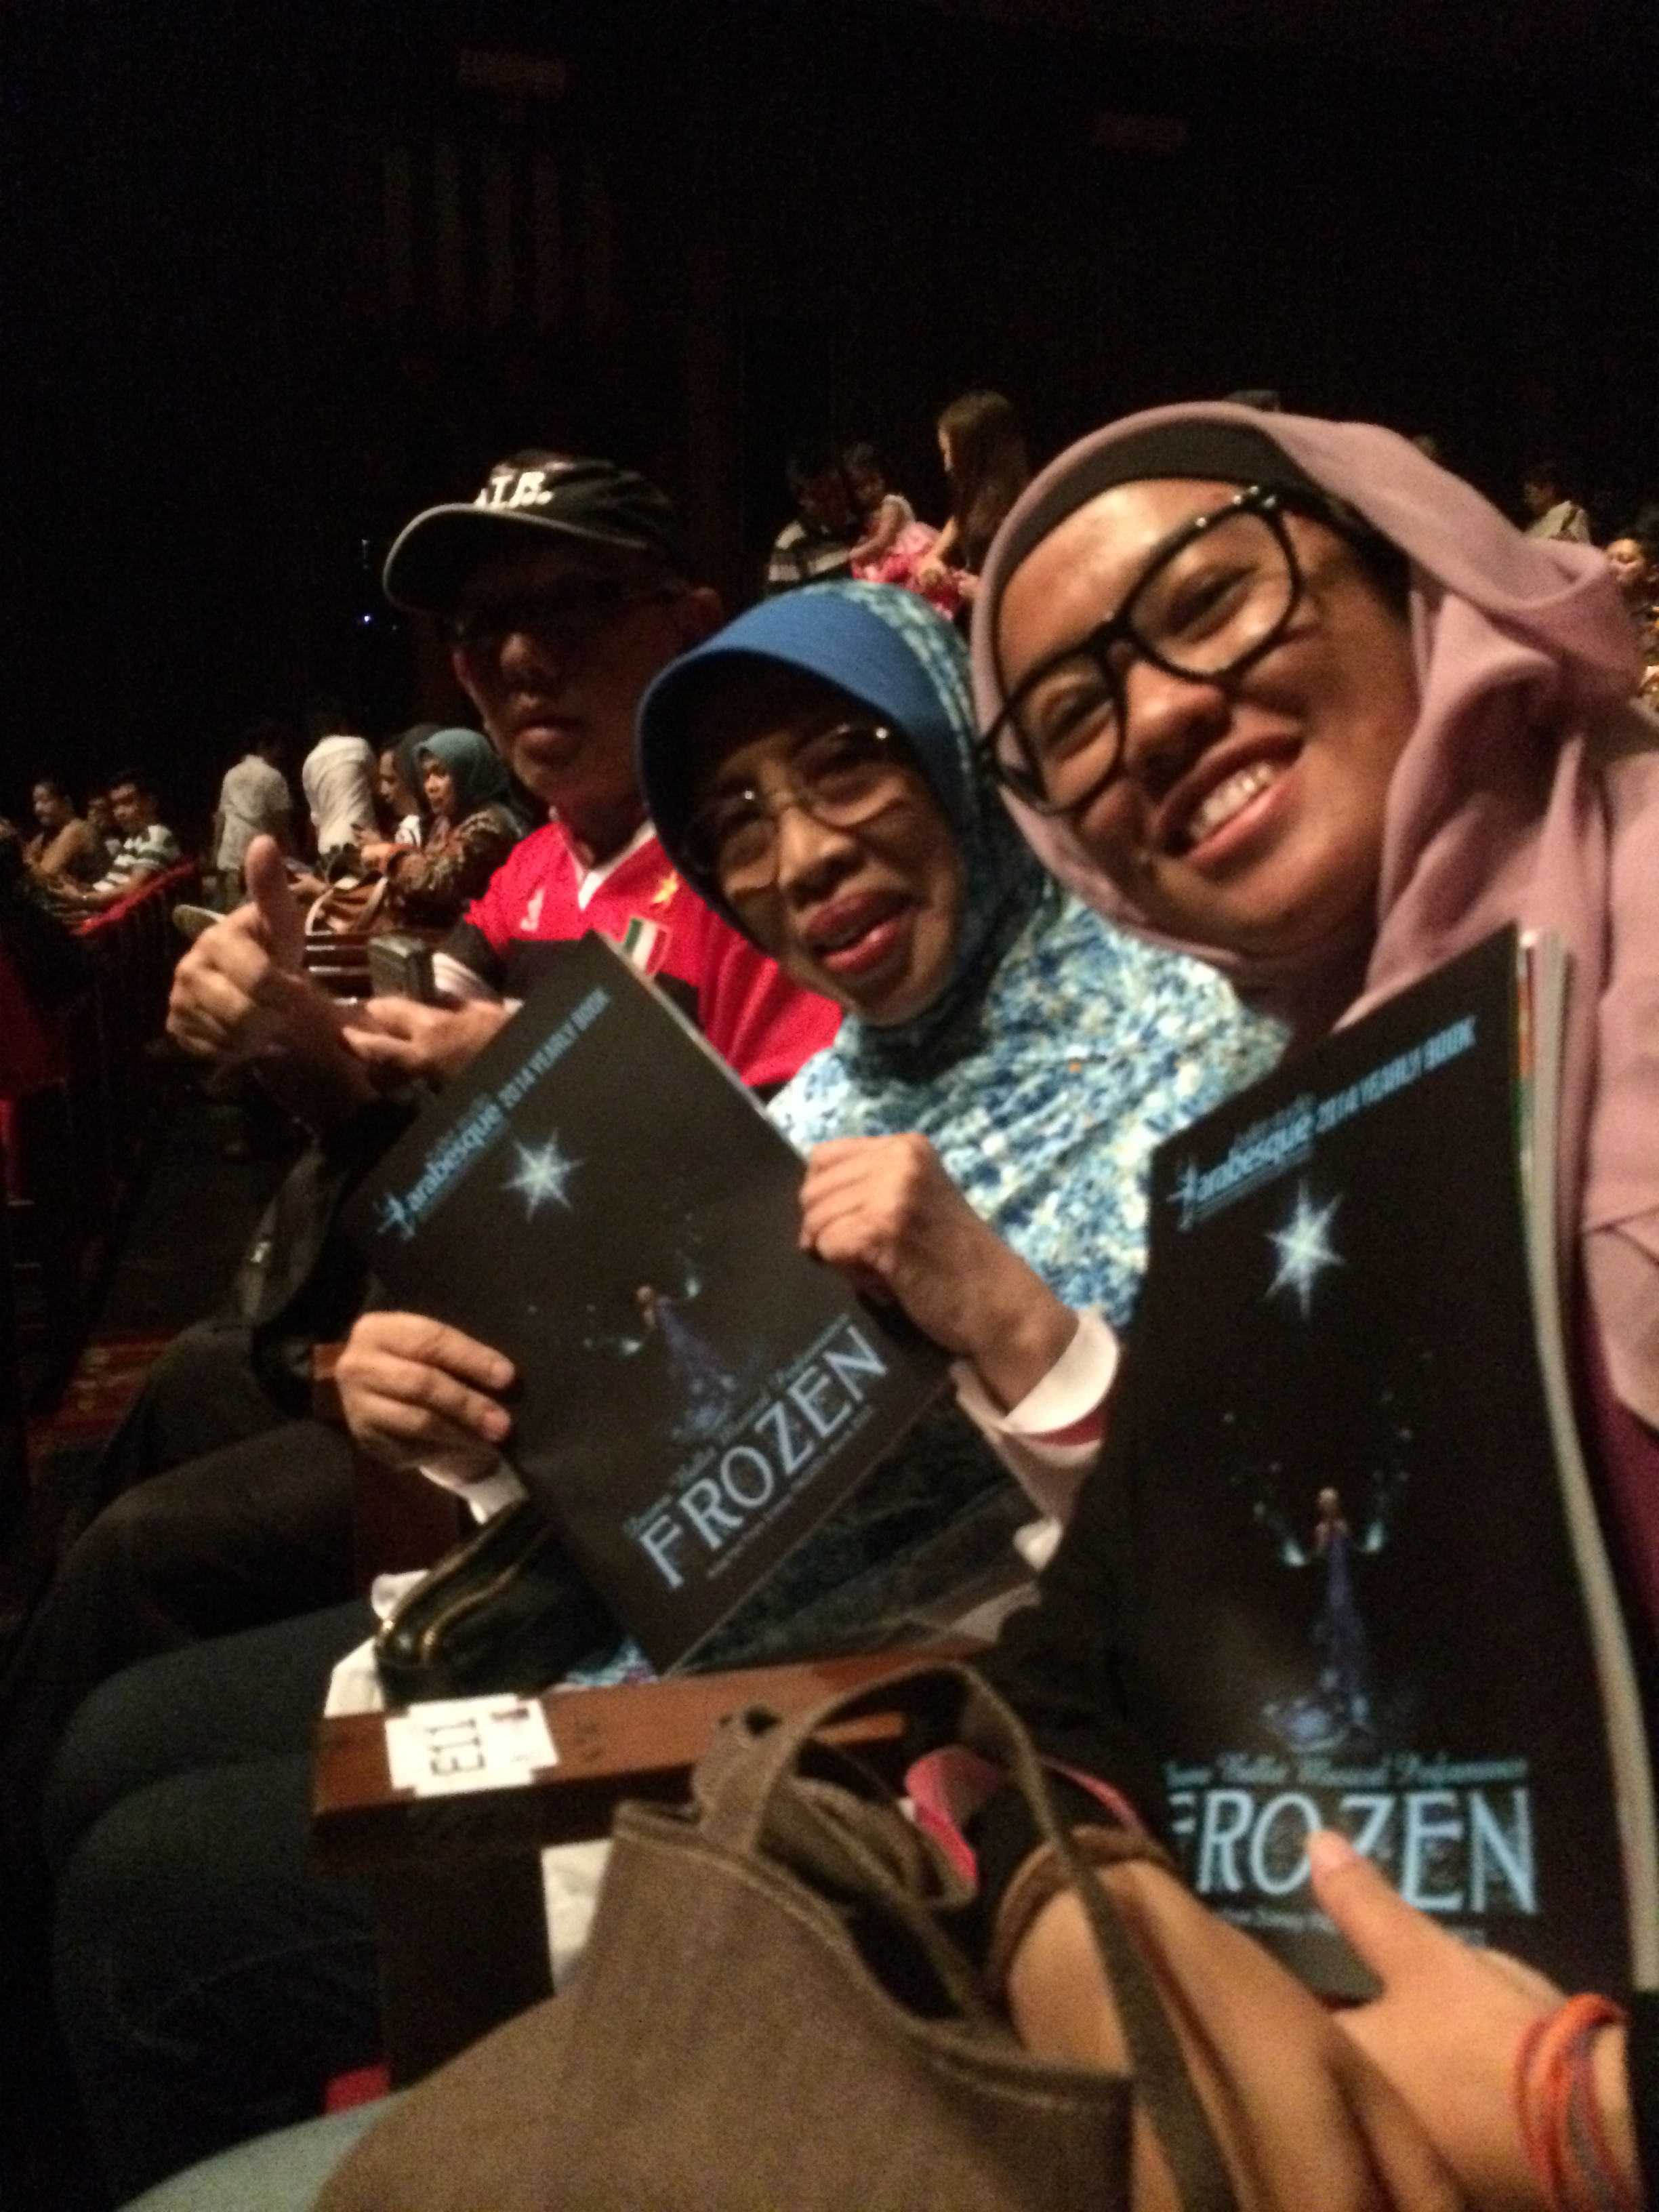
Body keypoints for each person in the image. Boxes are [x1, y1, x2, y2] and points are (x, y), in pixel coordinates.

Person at [47, 583, 1278, 2204]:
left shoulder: (1202, 1065)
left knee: (141, 1901)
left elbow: (1228, 1598)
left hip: (826, 1762)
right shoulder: (835, 1082)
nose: (800, 856)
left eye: (848, 763)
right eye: (737, 820)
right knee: (113, 1743)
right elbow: (681, 1436)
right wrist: (469, 1434)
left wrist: (1007, 1316)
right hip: (643, 1644)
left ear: (960, 759)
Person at [0, 453, 841, 2200]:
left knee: (139, 1638)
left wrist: (524, 1091)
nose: (521, 660)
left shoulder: (766, 871)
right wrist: (295, 1039)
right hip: (475, 1416)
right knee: (163, 1478)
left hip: (601, 1477)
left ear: (696, 626)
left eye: (572, 608)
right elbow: (403, 1152)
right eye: (478, 632)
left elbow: (771, 1290)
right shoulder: (531, 877)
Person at [949, 401, 1659, 2205]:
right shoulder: (1284, 1168)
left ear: (1413, 573)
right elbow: (1069, 1679)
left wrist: (1596, 2116)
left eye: (1208, 598)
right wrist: (1080, 1924)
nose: (1155, 721)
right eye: (1070, 720)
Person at [374, 726, 523, 931]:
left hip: (485, 942)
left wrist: (390, 856)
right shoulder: (446, 821)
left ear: (466, 771)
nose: (431, 786)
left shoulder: (490, 824)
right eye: (426, 776)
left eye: (441, 773)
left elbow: (438, 881)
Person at [916, 388, 1030, 611]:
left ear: (975, 456)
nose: (947, 466)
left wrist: (985, 595)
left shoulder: (1021, 512)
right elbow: (959, 518)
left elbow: (1038, 591)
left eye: (949, 453)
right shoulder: (977, 495)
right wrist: (934, 556)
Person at [56, 772, 182, 913]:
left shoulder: (157, 834)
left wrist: (82, 899)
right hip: (95, 908)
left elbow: (134, 890)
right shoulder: (135, 838)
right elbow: (113, 886)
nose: (119, 812)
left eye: (127, 802)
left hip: (103, 918)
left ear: (150, 802)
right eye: (115, 806)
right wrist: (80, 889)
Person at [212, 716, 294, 901]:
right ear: (264, 745)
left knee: (234, 914)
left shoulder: (231, 775)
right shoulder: (273, 777)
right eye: (278, 747)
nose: (280, 753)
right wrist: (295, 858)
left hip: (230, 860)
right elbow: (282, 827)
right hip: (258, 864)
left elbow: (221, 819)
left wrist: (215, 857)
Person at [763, 442, 858, 594]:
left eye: (836, 490)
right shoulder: (792, 544)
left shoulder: (862, 521)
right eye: (821, 498)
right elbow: (780, 605)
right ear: (802, 499)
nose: (833, 503)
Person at [1605, 523, 1659, 708]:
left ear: (1653, 573)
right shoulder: (1585, 618)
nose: (1611, 567)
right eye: (1606, 560)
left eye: (1625, 560)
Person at [24, 775, 106, 888]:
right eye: (35, 802)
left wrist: (27, 859)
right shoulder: (48, 834)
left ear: (66, 801)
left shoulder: (77, 829)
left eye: (44, 801)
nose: (38, 808)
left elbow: (45, 876)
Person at [1520, 458, 1591, 543]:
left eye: (1529, 493)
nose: (1526, 501)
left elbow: (1580, 548)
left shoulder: (1571, 513)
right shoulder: (1532, 527)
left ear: (1548, 490)